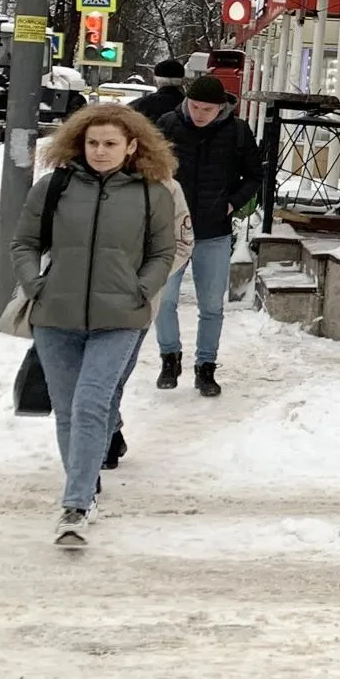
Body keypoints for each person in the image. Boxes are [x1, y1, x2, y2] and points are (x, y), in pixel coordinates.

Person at [9, 104, 178, 546]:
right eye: (93, 143)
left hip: (119, 318)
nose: (100, 152)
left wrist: (141, 290)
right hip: (56, 317)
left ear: (132, 146)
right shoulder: (54, 188)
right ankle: (83, 488)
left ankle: (76, 504)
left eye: (110, 144)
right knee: (67, 411)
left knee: (91, 405)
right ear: (79, 145)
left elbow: (164, 252)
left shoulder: (151, 193)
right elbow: (25, 242)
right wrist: (36, 284)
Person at [154, 74, 262, 396]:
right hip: (169, 232)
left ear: (221, 108)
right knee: (164, 301)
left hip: (213, 232)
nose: (200, 114)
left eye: (207, 109)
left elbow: (255, 175)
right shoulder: (168, 125)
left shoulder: (238, 132)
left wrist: (233, 202)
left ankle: (206, 368)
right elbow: (146, 168)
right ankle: (169, 358)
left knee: (212, 305)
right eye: (195, 106)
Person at [102, 176, 194, 470]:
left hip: (134, 300)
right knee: (86, 379)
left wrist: (146, 283)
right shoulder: (78, 180)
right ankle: (109, 431)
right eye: (94, 141)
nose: (102, 150)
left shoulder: (165, 187)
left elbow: (182, 243)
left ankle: (101, 445)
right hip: (78, 297)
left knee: (109, 376)